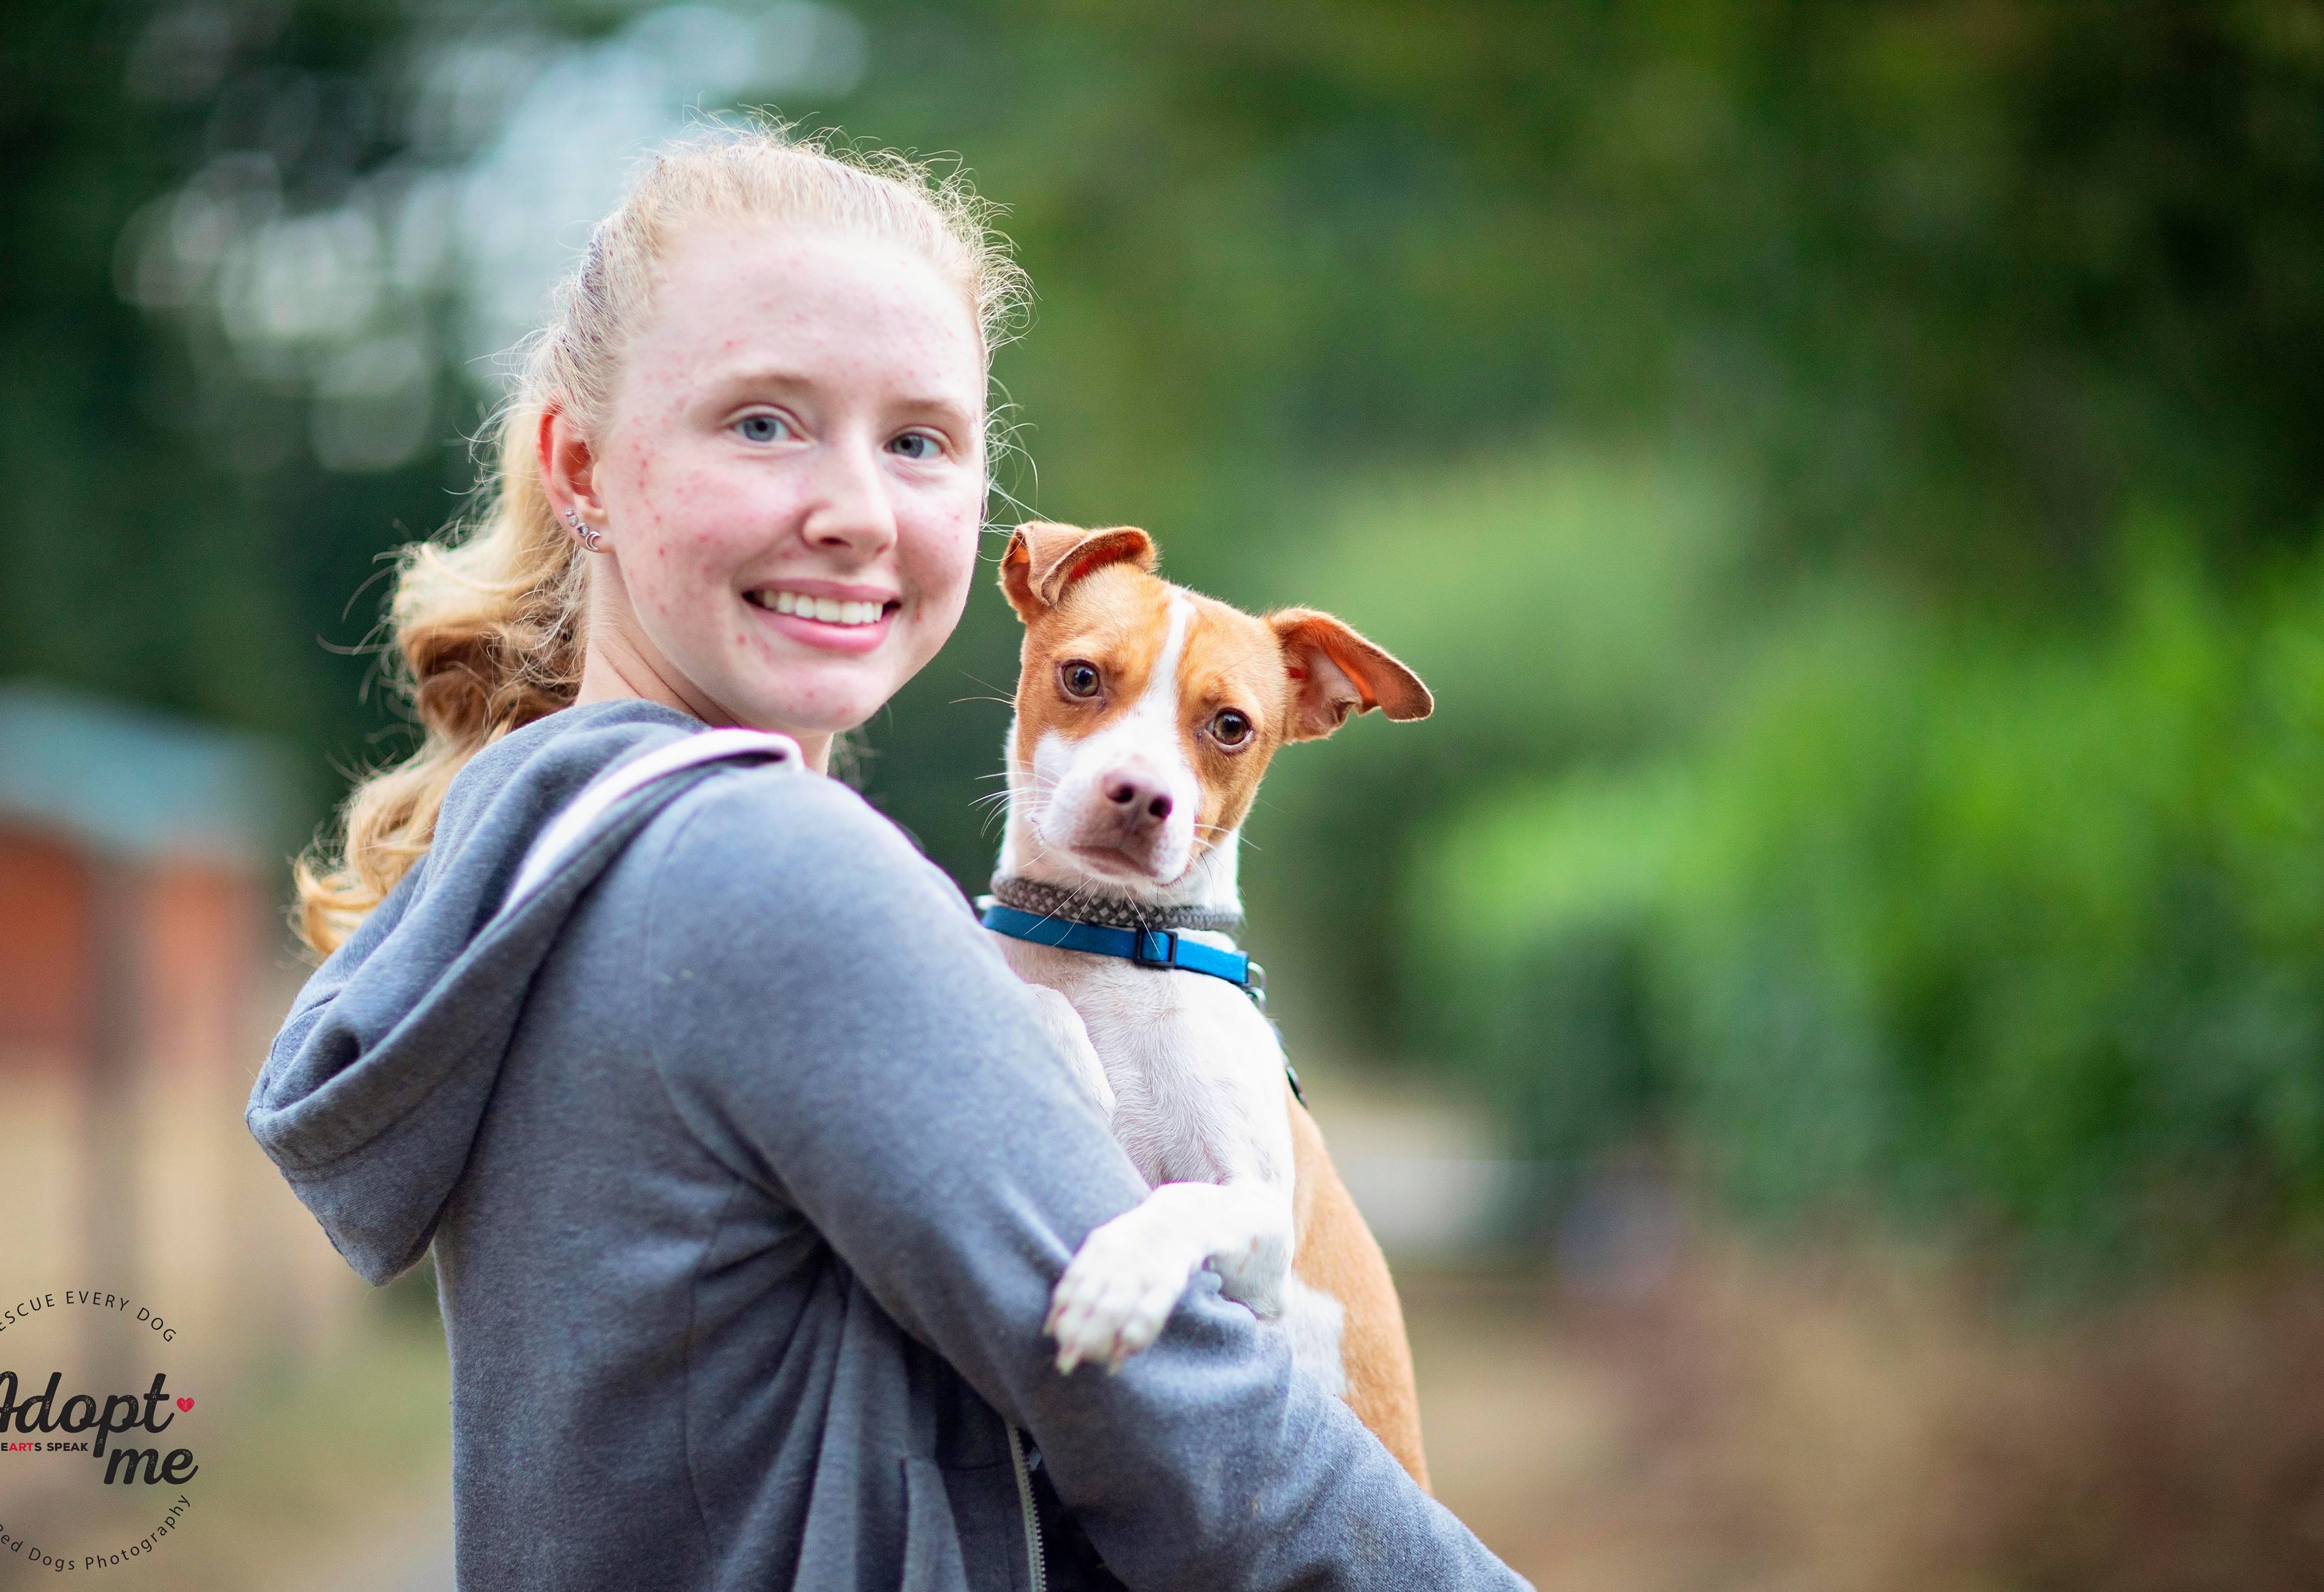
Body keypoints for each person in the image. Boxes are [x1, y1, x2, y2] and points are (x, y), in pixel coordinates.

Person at [249, 124, 1525, 1591]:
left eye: (916, 440)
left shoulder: (534, 838)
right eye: (762, 423)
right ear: (581, 467)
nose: (854, 510)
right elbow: (1216, 1450)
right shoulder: (777, 875)